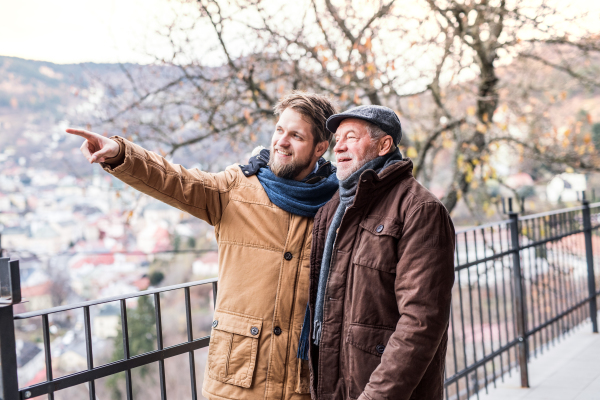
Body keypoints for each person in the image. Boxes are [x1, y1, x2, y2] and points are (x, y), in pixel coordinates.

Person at [67, 92, 339, 400]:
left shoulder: (337, 205)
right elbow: (174, 179)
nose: (282, 141)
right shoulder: (236, 187)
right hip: (238, 380)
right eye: (279, 130)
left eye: (296, 136)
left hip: (303, 385)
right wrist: (120, 153)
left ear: (320, 147)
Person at [306, 105, 455, 400]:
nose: (340, 146)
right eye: (337, 140)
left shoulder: (419, 209)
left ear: (384, 145)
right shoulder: (332, 209)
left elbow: (421, 321)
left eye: (351, 137)